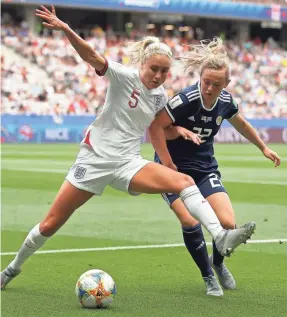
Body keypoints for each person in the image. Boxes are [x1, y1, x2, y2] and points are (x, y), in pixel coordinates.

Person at [1, 6, 256, 291]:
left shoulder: (160, 97)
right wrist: (66, 29)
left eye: (164, 71)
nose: (158, 76)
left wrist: (179, 129)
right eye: (154, 69)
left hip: (128, 163)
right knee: (49, 224)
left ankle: (220, 236)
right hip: (94, 160)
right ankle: (12, 268)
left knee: (183, 181)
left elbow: (161, 126)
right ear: (143, 66)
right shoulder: (123, 76)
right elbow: (91, 56)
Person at [149, 38, 281, 296]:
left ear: (226, 85)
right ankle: (208, 277)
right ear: (200, 78)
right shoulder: (185, 99)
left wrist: (263, 147)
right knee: (189, 221)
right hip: (173, 170)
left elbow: (240, 123)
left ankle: (217, 264)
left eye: (216, 84)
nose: (209, 88)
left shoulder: (225, 101)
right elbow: (155, 127)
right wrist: (168, 162)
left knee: (228, 224)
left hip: (204, 168)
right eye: (206, 82)